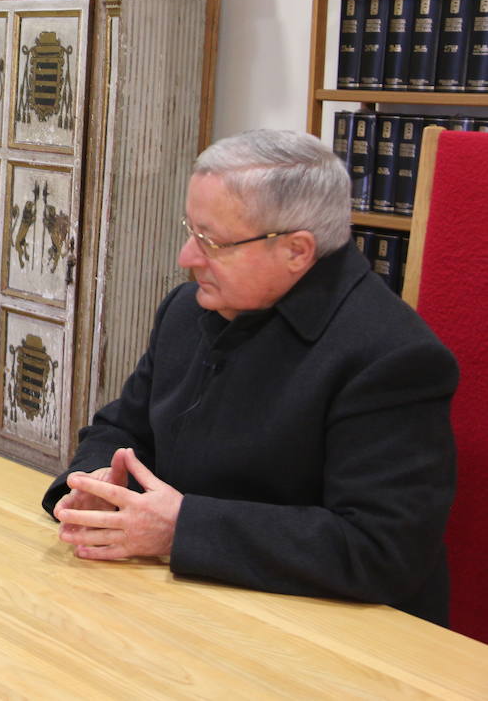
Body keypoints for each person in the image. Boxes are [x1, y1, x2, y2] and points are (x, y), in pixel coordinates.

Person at [43, 129, 458, 624]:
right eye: (191, 230)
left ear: (298, 251)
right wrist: (94, 482)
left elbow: (381, 550)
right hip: (180, 602)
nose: (187, 257)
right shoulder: (188, 309)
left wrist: (182, 530)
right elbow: (123, 428)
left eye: (211, 241)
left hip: (329, 634)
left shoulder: (392, 357)